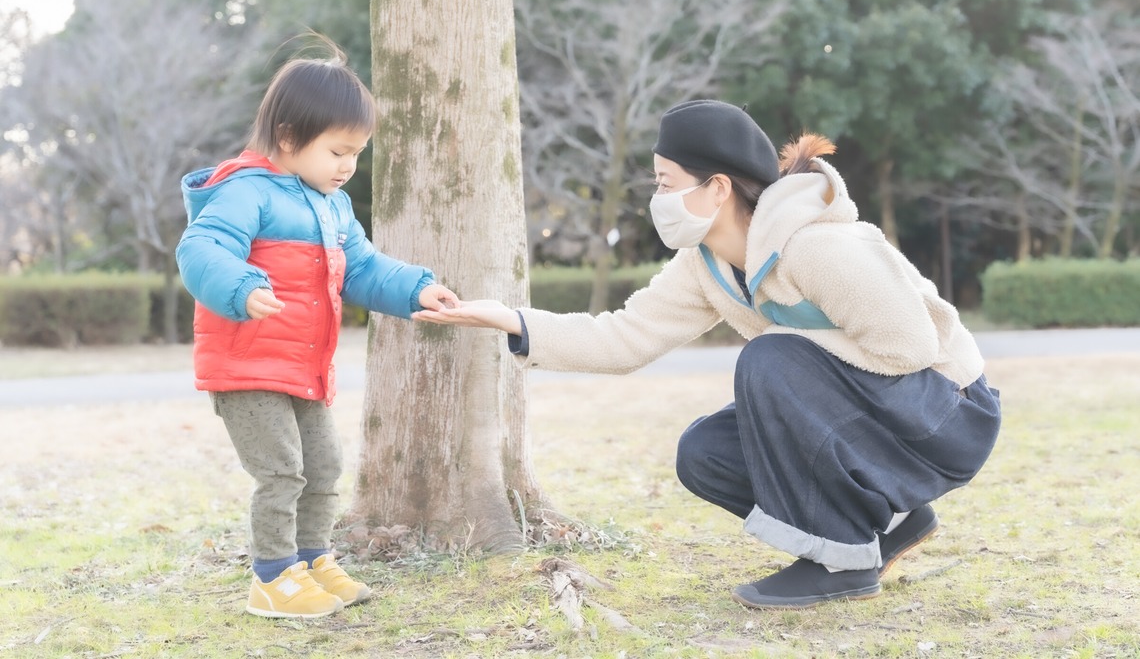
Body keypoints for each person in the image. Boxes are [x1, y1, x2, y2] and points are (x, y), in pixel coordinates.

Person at [413, 99, 1001, 609]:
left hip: (947, 414)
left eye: (666, 183)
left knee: (770, 360)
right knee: (707, 453)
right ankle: (893, 522)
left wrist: (786, 347)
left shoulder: (816, 245)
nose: (658, 198)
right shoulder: (706, 266)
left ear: (716, 187)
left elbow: (910, 346)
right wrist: (510, 319)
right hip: (885, 417)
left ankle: (844, 565)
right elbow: (624, 338)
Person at [176, 37, 459, 619]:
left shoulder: (333, 206)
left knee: (323, 468)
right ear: (287, 138)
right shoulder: (244, 190)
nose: (348, 165)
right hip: (248, 367)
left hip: (304, 365)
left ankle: (312, 559)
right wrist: (242, 287)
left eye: (357, 151)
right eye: (337, 150)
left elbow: (360, 267)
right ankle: (273, 579)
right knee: (281, 471)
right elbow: (200, 247)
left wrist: (414, 288)